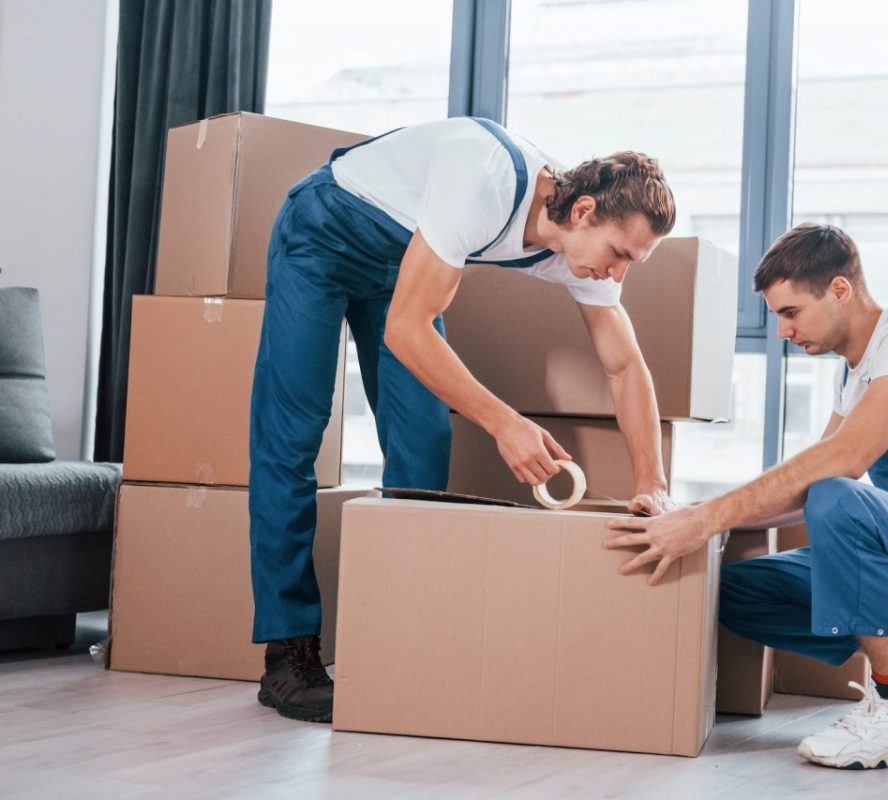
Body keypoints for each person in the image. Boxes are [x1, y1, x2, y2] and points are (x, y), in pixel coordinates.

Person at [250, 116, 678, 723]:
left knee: (423, 439)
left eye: (632, 262)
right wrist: (505, 423)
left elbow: (625, 368)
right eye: (619, 254)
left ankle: (394, 639)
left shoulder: (577, 251)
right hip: (321, 233)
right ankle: (288, 653)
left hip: (403, 262)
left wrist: (651, 485)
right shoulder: (482, 178)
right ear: (583, 210)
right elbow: (407, 329)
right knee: (292, 436)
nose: (617, 274)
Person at [605, 222, 888, 769]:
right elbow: (808, 486)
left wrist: (708, 519)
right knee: (730, 590)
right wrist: (691, 518)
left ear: (839, 289)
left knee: (837, 494)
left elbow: (842, 464)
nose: (783, 331)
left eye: (791, 312)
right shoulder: (852, 375)